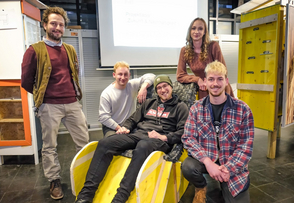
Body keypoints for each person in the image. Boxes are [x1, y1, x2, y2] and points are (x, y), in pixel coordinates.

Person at [75, 75, 189, 203]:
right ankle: (86, 195)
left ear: (171, 87)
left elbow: (183, 132)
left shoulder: (180, 107)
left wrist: (163, 136)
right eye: (159, 88)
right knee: (105, 143)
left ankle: (120, 197)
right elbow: (132, 119)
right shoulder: (149, 103)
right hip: (139, 134)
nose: (163, 90)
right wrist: (125, 128)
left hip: (159, 140)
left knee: (143, 145)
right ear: (156, 91)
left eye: (165, 86)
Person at [21, 7, 89, 200]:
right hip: (49, 105)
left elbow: (73, 74)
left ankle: (83, 174)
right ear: (45, 25)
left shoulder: (70, 49)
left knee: (83, 142)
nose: (57, 27)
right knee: (50, 146)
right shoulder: (34, 50)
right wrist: (42, 96)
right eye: (53, 23)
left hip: (72, 103)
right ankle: (54, 180)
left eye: (60, 24)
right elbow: (26, 80)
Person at [181, 61, 254, 203]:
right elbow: (188, 138)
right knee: (188, 166)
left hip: (231, 164)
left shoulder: (243, 109)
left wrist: (228, 169)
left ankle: (225, 181)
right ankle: (201, 187)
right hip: (207, 159)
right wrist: (208, 163)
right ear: (206, 83)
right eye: (211, 79)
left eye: (220, 79)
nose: (215, 83)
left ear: (226, 81)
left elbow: (246, 147)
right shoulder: (196, 108)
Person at [176, 17, 234, 99]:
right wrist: (197, 79)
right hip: (203, 89)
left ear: (204, 32)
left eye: (200, 29)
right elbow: (180, 76)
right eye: (193, 28)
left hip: (219, 88)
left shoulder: (213, 46)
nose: (196, 31)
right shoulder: (184, 51)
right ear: (190, 31)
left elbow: (223, 71)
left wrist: (212, 82)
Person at [99, 61, 155, 137]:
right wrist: (120, 128)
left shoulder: (132, 84)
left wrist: (143, 87)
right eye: (120, 74)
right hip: (112, 127)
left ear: (129, 75)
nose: (123, 77)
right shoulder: (106, 93)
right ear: (114, 75)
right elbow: (103, 117)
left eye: (125, 74)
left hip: (130, 125)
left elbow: (152, 76)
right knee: (112, 142)